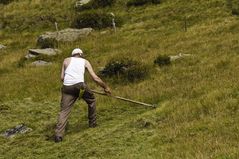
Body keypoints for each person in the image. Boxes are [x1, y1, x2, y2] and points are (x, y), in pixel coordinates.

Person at [55, 48, 111, 142]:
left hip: (66, 87)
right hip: (80, 85)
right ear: (80, 54)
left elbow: (62, 78)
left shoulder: (66, 60)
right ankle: (92, 124)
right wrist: (106, 87)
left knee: (64, 111)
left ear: (73, 55)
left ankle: (58, 135)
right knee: (91, 100)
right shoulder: (85, 61)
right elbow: (95, 78)